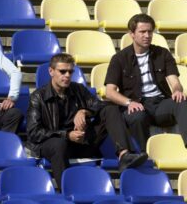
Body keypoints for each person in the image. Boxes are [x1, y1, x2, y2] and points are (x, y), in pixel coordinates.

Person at [27, 53, 147, 188]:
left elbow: (101, 105)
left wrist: (84, 111)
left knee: (111, 109)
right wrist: (66, 135)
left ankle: (124, 155)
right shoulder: (38, 97)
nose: (67, 75)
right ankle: (67, 190)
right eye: (62, 71)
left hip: (81, 142)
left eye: (70, 72)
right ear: (51, 71)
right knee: (58, 144)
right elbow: (34, 132)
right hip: (55, 145)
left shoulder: (78, 89)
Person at [105, 13, 187, 153]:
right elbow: (110, 92)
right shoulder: (119, 58)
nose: (147, 35)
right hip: (137, 104)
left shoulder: (162, 53)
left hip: (160, 103)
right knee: (137, 116)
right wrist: (128, 102)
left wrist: (177, 91)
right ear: (132, 34)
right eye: (142, 32)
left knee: (182, 102)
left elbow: (174, 82)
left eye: (150, 31)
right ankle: (144, 155)